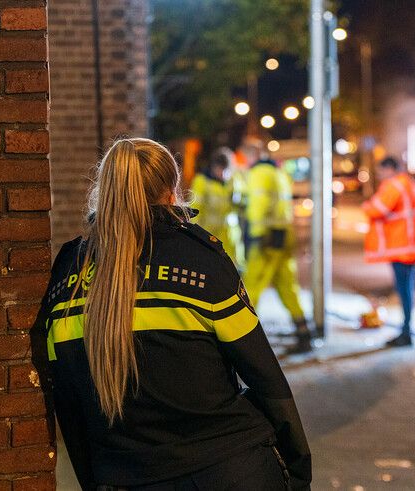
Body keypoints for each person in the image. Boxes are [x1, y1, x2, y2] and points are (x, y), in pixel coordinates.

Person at [30, 138, 311, 490]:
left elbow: (68, 403)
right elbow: (265, 376)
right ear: (171, 190)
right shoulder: (199, 260)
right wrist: (298, 470)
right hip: (230, 469)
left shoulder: (66, 276)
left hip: (126, 477)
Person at [243, 149, 312, 354]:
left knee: (252, 288)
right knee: (287, 286)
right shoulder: (280, 173)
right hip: (284, 236)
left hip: (265, 238)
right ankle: (303, 332)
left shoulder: (258, 174)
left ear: (252, 156)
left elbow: (258, 205)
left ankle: (244, 340)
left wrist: (254, 234)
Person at [362, 157, 415, 347]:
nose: (380, 176)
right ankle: (407, 330)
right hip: (412, 245)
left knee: (404, 290)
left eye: (381, 171)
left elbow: (377, 209)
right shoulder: (410, 184)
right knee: (408, 289)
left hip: (402, 246)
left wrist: (366, 206)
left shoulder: (394, 185)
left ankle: (406, 332)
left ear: (390, 168)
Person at [190, 147, 244, 266]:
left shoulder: (234, 181)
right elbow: (195, 211)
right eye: (221, 169)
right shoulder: (202, 182)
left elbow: (241, 204)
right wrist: (194, 236)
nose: (223, 174)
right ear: (213, 166)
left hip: (230, 237)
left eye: (226, 170)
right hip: (208, 238)